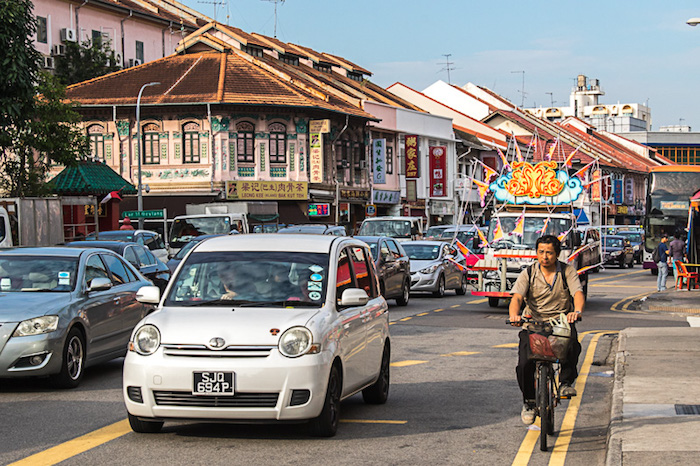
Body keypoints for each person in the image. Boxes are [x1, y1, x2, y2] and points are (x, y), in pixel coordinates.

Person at [508, 235, 585, 425]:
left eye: (549, 253)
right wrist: (515, 316)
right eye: (541, 252)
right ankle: (529, 401)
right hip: (533, 324)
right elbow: (517, 298)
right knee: (524, 364)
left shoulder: (567, 272)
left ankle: (566, 383)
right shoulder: (528, 273)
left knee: (572, 344)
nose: (544, 257)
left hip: (560, 323)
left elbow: (578, 293)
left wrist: (576, 311)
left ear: (557, 254)